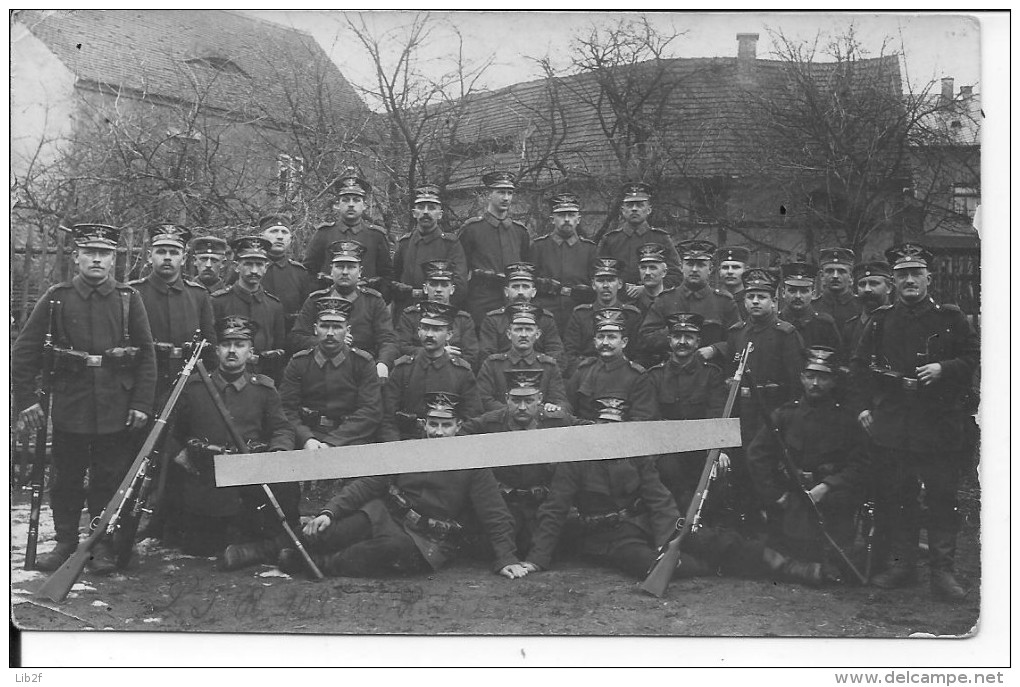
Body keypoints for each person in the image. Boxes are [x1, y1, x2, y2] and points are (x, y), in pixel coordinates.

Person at [521, 398, 832, 586]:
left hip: (646, 521)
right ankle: (720, 566)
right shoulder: (575, 461)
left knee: (709, 538)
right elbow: (554, 509)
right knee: (651, 565)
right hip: (607, 539)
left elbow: (659, 499)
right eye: (602, 424)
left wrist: (669, 539)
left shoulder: (637, 454)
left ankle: (788, 567)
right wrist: (537, 559)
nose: (609, 431)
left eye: (615, 425)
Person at [13, 224, 157, 573]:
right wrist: (26, 400)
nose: (96, 259)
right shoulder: (57, 297)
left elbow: (147, 356)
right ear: (75, 257)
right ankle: (65, 542)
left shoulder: (128, 298)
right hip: (71, 403)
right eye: (89, 252)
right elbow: (23, 352)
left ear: (113, 260)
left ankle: (102, 543)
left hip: (116, 405)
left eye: (104, 253)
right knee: (66, 477)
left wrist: (140, 403)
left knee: (109, 477)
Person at [277, 392, 529, 580]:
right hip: (385, 515)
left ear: (459, 426)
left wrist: (506, 557)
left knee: (385, 552)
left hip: (427, 539)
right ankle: (263, 551)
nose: (438, 433)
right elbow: (368, 484)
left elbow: (495, 513)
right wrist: (329, 512)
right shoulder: (407, 450)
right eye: (433, 424)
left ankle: (315, 564)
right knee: (325, 532)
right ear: (424, 423)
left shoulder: (473, 463)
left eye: (446, 425)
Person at [851, 243, 979, 600]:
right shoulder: (881, 320)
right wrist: (862, 407)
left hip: (938, 423)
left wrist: (943, 368)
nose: (909, 280)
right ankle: (902, 565)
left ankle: (943, 573)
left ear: (929, 278)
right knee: (897, 496)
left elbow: (972, 357)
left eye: (916, 273)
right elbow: (859, 367)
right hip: (895, 424)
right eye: (902, 274)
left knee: (941, 497)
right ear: (893, 281)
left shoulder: (950, 318)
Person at [168, 316, 298, 569]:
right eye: (226, 344)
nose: (232, 350)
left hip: (246, 485)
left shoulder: (264, 390)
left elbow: (282, 428)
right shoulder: (194, 387)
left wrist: (278, 452)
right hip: (206, 481)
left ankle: (253, 546)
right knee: (199, 548)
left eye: (239, 344)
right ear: (216, 350)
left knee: (256, 530)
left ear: (251, 351)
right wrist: (181, 454)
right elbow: (172, 432)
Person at [747, 346, 870, 570]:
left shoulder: (846, 419)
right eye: (810, 376)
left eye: (822, 378)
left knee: (836, 560)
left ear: (833, 381)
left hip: (830, 501)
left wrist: (828, 486)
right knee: (783, 554)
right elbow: (758, 455)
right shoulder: (784, 415)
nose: (815, 384)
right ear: (801, 378)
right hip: (791, 497)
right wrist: (775, 495)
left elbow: (860, 464)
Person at [710, 268, 805, 532]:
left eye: (762, 296)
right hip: (743, 414)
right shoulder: (737, 332)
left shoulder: (786, 334)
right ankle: (748, 534)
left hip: (773, 414)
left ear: (774, 301)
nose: (754, 302)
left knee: (770, 473)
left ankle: (775, 533)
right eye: (750, 296)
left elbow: (797, 385)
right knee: (743, 473)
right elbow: (731, 376)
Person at [461, 369, 587, 557]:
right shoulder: (490, 423)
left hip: (542, 504)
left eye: (528, 401)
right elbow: (459, 437)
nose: (521, 407)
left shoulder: (557, 421)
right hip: (505, 504)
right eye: (515, 400)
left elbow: (591, 432)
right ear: (506, 398)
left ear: (540, 399)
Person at [647, 313, 730, 513]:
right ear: (669, 341)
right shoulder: (655, 376)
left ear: (698, 341)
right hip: (667, 448)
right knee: (668, 473)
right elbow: (651, 418)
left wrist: (719, 449)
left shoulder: (711, 374)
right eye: (677, 337)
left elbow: (717, 414)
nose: (682, 342)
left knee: (717, 472)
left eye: (689, 337)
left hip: (701, 447)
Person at [279, 297, 382, 452]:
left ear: (348, 330)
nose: (330, 333)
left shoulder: (363, 363)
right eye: (324, 326)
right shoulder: (299, 362)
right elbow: (286, 409)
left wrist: (333, 442)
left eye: (337, 327)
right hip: (309, 439)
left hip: (349, 439)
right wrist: (306, 438)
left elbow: (369, 411)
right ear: (315, 329)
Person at [289, 240, 398, 377]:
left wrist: (383, 363)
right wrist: (326, 340)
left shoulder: (374, 301)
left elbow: (387, 340)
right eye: (340, 266)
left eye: (351, 267)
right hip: (320, 369)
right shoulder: (315, 300)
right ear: (331, 270)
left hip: (361, 370)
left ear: (360, 272)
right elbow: (297, 337)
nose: (345, 272)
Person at [129, 224, 215, 396]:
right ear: (149, 256)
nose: (167, 257)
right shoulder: (133, 293)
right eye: (161, 252)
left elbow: (210, 346)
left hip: (188, 385)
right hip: (144, 385)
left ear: (183, 258)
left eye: (174, 252)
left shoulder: (198, 295)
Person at [380, 301, 482, 441]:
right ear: (418, 331)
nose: (429, 334)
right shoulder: (403, 369)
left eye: (436, 330)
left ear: (449, 335)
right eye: (425, 328)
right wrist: (396, 447)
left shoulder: (462, 372)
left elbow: (472, 418)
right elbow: (387, 417)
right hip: (407, 442)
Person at [639, 239, 741, 361]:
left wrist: (715, 349)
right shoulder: (665, 300)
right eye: (689, 264)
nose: (694, 269)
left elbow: (738, 340)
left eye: (701, 265)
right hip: (670, 369)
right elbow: (644, 339)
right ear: (681, 267)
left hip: (710, 371)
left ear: (711, 269)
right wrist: (673, 334)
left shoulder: (724, 302)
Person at [458, 171, 531, 329]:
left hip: (513, 300)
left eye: (509, 193)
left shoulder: (520, 232)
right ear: (488, 195)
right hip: (481, 300)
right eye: (500, 192)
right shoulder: (472, 229)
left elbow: (526, 267)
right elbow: (460, 270)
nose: (506, 198)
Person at [211, 236, 287, 377]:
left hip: (263, 378)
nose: (254, 270)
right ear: (236, 266)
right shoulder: (218, 302)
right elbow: (212, 345)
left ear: (266, 267)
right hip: (225, 377)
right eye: (248, 264)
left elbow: (279, 348)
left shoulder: (274, 305)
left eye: (259, 264)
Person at [566, 308, 658, 422]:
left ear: (624, 342)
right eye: (600, 337)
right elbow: (567, 406)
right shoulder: (583, 371)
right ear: (594, 342)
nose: (605, 342)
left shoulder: (637, 376)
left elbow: (643, 418)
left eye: (611, 337)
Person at [302, 168, 393, 281]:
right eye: (345, 200)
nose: (351, 205)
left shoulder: (376, 236)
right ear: (337, 205)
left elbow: (387, 275)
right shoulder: (324, 234)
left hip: (366, 296)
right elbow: (308, 271)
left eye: (356, 200)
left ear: (364, 205)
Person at [476, 303, 568, 413]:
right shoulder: (493, 364)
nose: (523, 334)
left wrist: (552, 407)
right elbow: (483, 400)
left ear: (538, 334)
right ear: (509, 334)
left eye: (529, 329)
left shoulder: (549, 365)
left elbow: (560, 401)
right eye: (518, 329)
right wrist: (514, 412)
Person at [596, 182, 682, 298]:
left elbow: (676, 275)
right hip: (620, 302)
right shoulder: (611, 240)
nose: (634, 209)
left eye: (640, 205)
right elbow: (599, 273)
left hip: (654, 301)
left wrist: (649, 288)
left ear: (649, 210)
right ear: (622, 210)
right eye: (630, 205)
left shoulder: (661, 238)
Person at [392, 184, 467, 315]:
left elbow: (459, 286)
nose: (426, 212)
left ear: (440, 214)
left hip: (439, 313)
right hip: (407, 314)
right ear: (414, 213)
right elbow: (393, 281)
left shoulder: (450, 244)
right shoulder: (405, 243)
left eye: (431, 208)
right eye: (421, 207)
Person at [477, 262, 566, 372]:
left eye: (525, 287)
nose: (520, 292)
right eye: (515, 287)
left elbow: (556, 355)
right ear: (506, 291)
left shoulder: (545, 319)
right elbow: (486, 357)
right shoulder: (493, 320)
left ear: (533, 292)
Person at [563, 257, 644, 378]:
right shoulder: (580, 314)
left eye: (611, 280)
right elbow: (570, 353)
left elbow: (640, 354)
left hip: (623, 377)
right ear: (593, 284)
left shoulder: (632, 315)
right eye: (601, 281)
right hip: (587, 376)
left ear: (620, 284)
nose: (606, 285)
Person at [530, 192, 598, 332]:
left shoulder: (590, 249)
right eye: (561, 215)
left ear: (578, 219)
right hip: (546, 314)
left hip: (578, 314)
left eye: (571, 215)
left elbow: (596, 285)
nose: (567, 219)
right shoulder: (538, 247)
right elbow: (529, 281)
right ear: (552, 219)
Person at [395, 259, 479, 368]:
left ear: (452, 289)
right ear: (425, 288)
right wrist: (438, 353)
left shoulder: (463, 320)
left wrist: (448, 359)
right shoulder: (410, 316)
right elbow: (401, 347)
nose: (438, 290)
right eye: (433, 284)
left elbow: (472, 355)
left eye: (444, 285)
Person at [257, 214, 314, 336]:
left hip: (289, 338)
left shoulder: (299, 272)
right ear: (261, 236)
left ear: (290, 238)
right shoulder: (248, 268)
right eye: (274, 231)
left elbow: (306, 311)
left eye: (284, 232)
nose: (279, 237)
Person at [778, 260, 843, 354]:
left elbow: (838, 358)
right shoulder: (775, 322)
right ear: (783, 293)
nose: (798, 296)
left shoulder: (825, 324)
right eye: (792, 291)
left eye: (804, 291)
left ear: (813, 294)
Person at [842, 260, 894, 354]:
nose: (867, 289)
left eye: (874, 283)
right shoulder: (850, 327)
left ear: (889, 287)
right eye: (862, 284)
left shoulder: (898, 320)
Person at [812, 247, 862, 324]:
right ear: (822, 276)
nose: (835, 276)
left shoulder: (861, 307)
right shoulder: (812, 308)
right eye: (830, 271)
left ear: (851, 277)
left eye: (841, 271)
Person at [632, 243, 669, 317]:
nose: (647, 273)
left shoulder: (672, 300)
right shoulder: (632, 303)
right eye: (643, 268)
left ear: (664, 272)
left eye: (653, 268)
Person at [716, 245, 751, 322]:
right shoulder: (713, 299)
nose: (730, 272)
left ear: (746, 271)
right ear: (719, 271)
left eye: (735, 267)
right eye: (725, 267)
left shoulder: (751, 301)